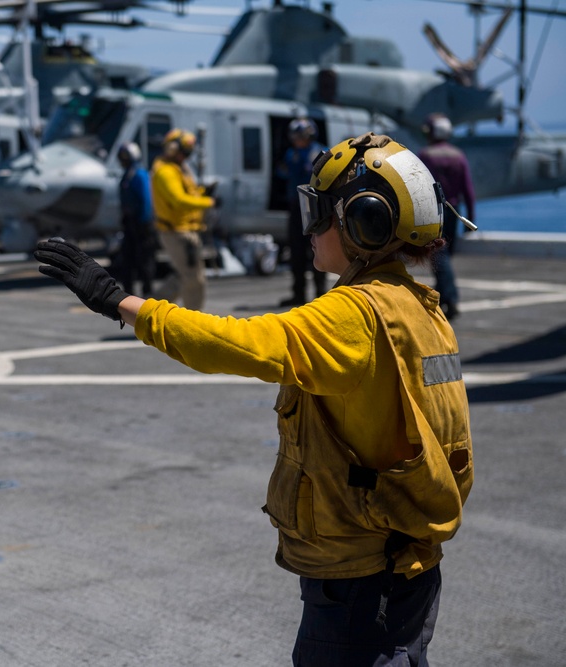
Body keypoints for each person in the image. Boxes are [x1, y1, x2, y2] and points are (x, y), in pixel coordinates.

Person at [35, 132, 473, 666]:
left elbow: (237, 343)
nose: (309, 227)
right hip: (409, 564)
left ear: (366, 222)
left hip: (358, 578)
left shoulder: (354, 316)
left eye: (321, 213)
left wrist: (120, 302)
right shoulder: (423, 308)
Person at [150, 128, 217, 311]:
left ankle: (150, 311)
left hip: (185, 230)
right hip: (177, 232)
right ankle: (194, 321)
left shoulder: (177, 168)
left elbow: (188, 194)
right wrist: (209, 202)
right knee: (194, 280)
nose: (185, 157)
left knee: (183, 277)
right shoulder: (166, 172)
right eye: (183, 153)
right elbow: (178, 201)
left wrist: (203, 193)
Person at [418, 113, 476, 321]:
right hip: (454, 211)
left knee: (439, 256)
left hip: (433, 212)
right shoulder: (458, 156)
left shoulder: (426, 155)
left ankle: (450, 298)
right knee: (444, 255)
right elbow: (468, 190)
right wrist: (470, 218)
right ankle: (442, 296)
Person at [278, 118, 327, 306]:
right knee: (296, 251)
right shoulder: (292, 153)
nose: (297, 139)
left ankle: (321, 292)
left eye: (301, 135)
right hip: (295, 206)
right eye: (295, 136)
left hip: (313, 205)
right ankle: (298, 294)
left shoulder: (319, 151)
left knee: (317, 248)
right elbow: (284, 172)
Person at [114, 142, 156, 297]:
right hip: (129, 223)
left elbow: (146, 200)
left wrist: (145, 221)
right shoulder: (127, 174)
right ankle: (128, 293)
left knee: (145, 260)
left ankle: (148, 292)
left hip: (141, 224)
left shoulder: (139, 174)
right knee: (127, 259)